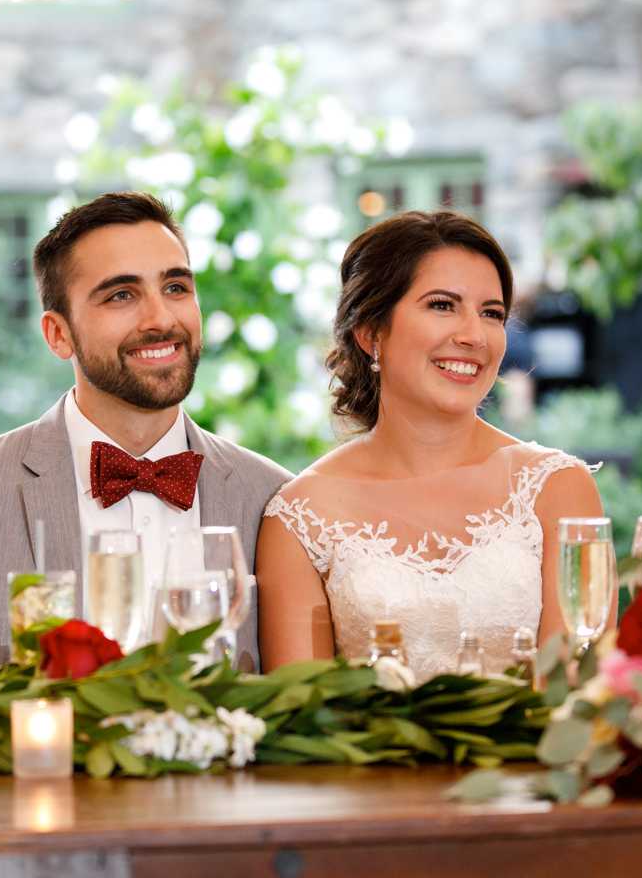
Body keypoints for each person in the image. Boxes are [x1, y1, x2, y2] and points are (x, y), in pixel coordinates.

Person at [0, 191, 290, 878]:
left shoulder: (274, 499)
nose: (161, 317)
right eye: (120, 295)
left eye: (176, 286)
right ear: (58, 334)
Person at [257, 210, 606, 680]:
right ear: (370, 333)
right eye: (442, 305)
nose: (473, 336)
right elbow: (303, 717)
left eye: (492, 313)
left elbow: (583, 700)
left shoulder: (558, 488)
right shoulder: (300, 515)